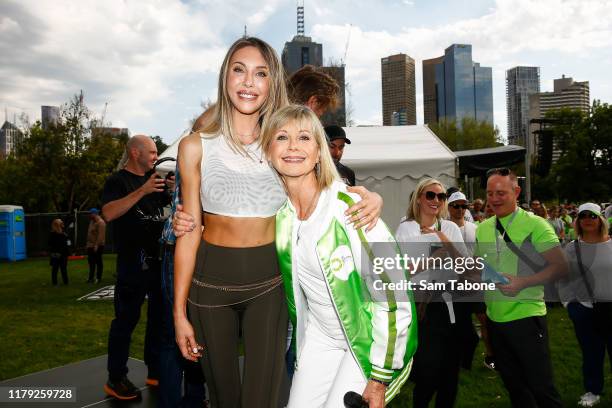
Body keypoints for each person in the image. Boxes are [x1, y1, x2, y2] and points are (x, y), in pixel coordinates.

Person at [172, 37, 384, 408]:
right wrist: (178, 313)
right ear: (225, 77)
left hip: (269, 284)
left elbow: (323, 184)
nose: (249, 82)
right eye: (239, 70)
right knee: (221, 396)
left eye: (261, 73)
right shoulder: (194, 146)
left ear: (272, 83)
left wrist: (369, 195)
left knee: (265, 396)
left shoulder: (280, 143)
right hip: (208, 285)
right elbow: (188, 233)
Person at [261, 104, 416, 408]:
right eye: (281, 137)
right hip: (320, 338)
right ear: (268, 151)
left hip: (368, 342)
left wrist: (380, 376)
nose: (293, 146)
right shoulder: (282, 217)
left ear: (320, 152)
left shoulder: (352, 208)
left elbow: (394, 294)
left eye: (304, 138)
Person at [475, 168, 568, 408]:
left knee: (541, 389)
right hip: (495, 321)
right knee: (515, 387)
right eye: (489, 193)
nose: (494, 199)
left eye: (501, 193)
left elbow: (561, 267)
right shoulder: (483, 227)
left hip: (526, 318)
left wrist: (523, 282)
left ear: (516, 192)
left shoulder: (536, 225)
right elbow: (480, 267)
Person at [101, 134, 174, 400]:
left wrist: (174, 190)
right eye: (153, 152)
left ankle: (155, 370)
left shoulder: (153, 181)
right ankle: (115, 378)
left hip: (158, 261)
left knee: (159, 320)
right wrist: (142, 191)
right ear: (135, 152)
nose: (156, 157)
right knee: (125, 321)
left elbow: (166, 210)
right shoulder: (118, 180)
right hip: (133, 263)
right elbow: (108, 213)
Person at [395, 179, 471, 408]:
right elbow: (399, 271)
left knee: (450, 372)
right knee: (429, 370)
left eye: (441, 196)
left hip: (451, 302)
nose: (436, 200)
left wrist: (445, 242)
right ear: (419, 197)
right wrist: (431, 260)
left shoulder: (449, 228)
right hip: (422, 304)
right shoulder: (406, 228)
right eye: (430, 195)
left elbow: (466, 266)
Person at [558, 203, 612, 407]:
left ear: (601, 219)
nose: (588, 219)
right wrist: (570, 305)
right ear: (578, 221)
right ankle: (593, 390)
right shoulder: (572, 248)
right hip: (585, 309)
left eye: (592, 215)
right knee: (591, 353)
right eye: (583, 216)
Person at [86, 208, 106, 283]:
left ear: (94, 214)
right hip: (90, 245)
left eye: (90, 214)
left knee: (98, 261)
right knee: (91, 262)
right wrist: (88, 244)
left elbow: (101, 236)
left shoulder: (101, 223)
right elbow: (89, 233)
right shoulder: (92, 221)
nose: (89, 215)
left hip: (98, 245)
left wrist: (96, 245)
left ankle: (98, 277)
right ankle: (90, 278)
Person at [49, 218, 69, 286]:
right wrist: (54, 253)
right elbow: (51, 244)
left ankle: (66, 282)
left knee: (64, 269)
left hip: (63, 254)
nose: (62, 222)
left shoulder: (64, 233)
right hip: (56, 254)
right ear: (57, 224)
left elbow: (67, 244)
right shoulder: (52, 234)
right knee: (55, 269)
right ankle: (54, 283)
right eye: (61, 222)